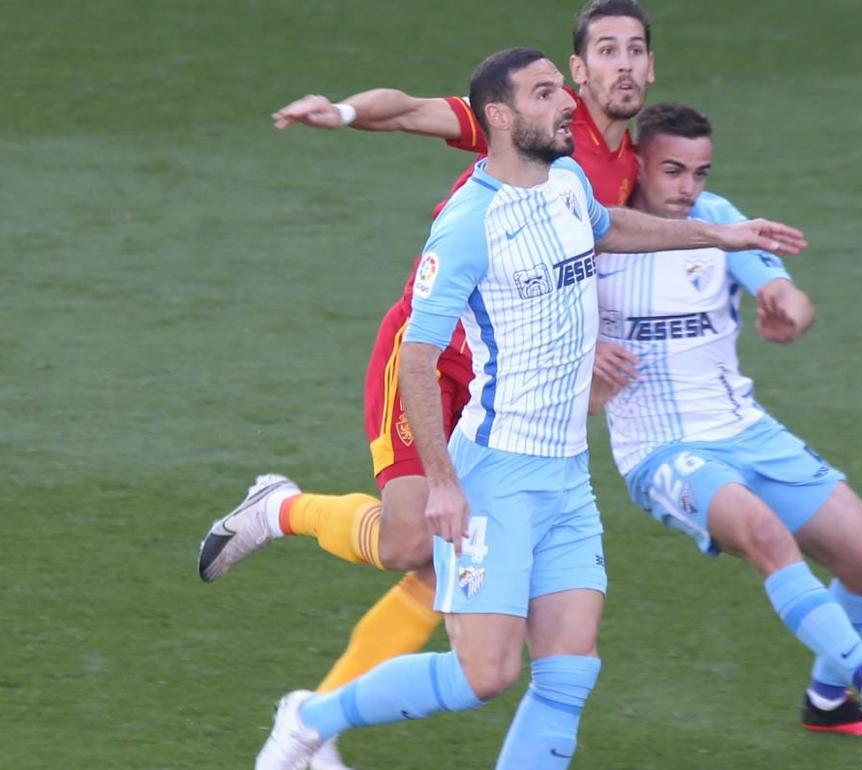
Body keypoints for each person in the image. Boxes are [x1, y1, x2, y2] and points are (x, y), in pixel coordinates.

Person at [253, 47, 807, 770]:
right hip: (498, 476)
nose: (568, 102)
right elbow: (416, 357)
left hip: (567, 477)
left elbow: (608, 228)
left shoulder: (569, 180)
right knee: (486, 675)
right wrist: (446, 483)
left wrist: (719, 233)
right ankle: (309, 719)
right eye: (546, 93)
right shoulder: (466, 225)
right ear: (501, 117)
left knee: (569, 673)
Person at [198, 3, 654, 766]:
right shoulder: (519, 125)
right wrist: (341, 112)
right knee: (412, 540)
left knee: (448, 576)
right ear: (576, 71)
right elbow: (407, 110)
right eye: (607, 52)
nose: (624, 66)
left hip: (505, 393)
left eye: (637, 50)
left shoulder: (609, 162)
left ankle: (317, 729)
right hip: (427, 359)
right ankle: (282, 511)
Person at [587, 102, 862, 739]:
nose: (689, 188)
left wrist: (787, 310)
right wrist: (587, 364)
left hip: (748, 431)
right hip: (661, 450)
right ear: (637, 163)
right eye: (674, 171)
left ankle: (829, 704)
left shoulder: (716, 221)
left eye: (701, 172)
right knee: (767, 537)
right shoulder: (598, 236)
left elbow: (787, 291)